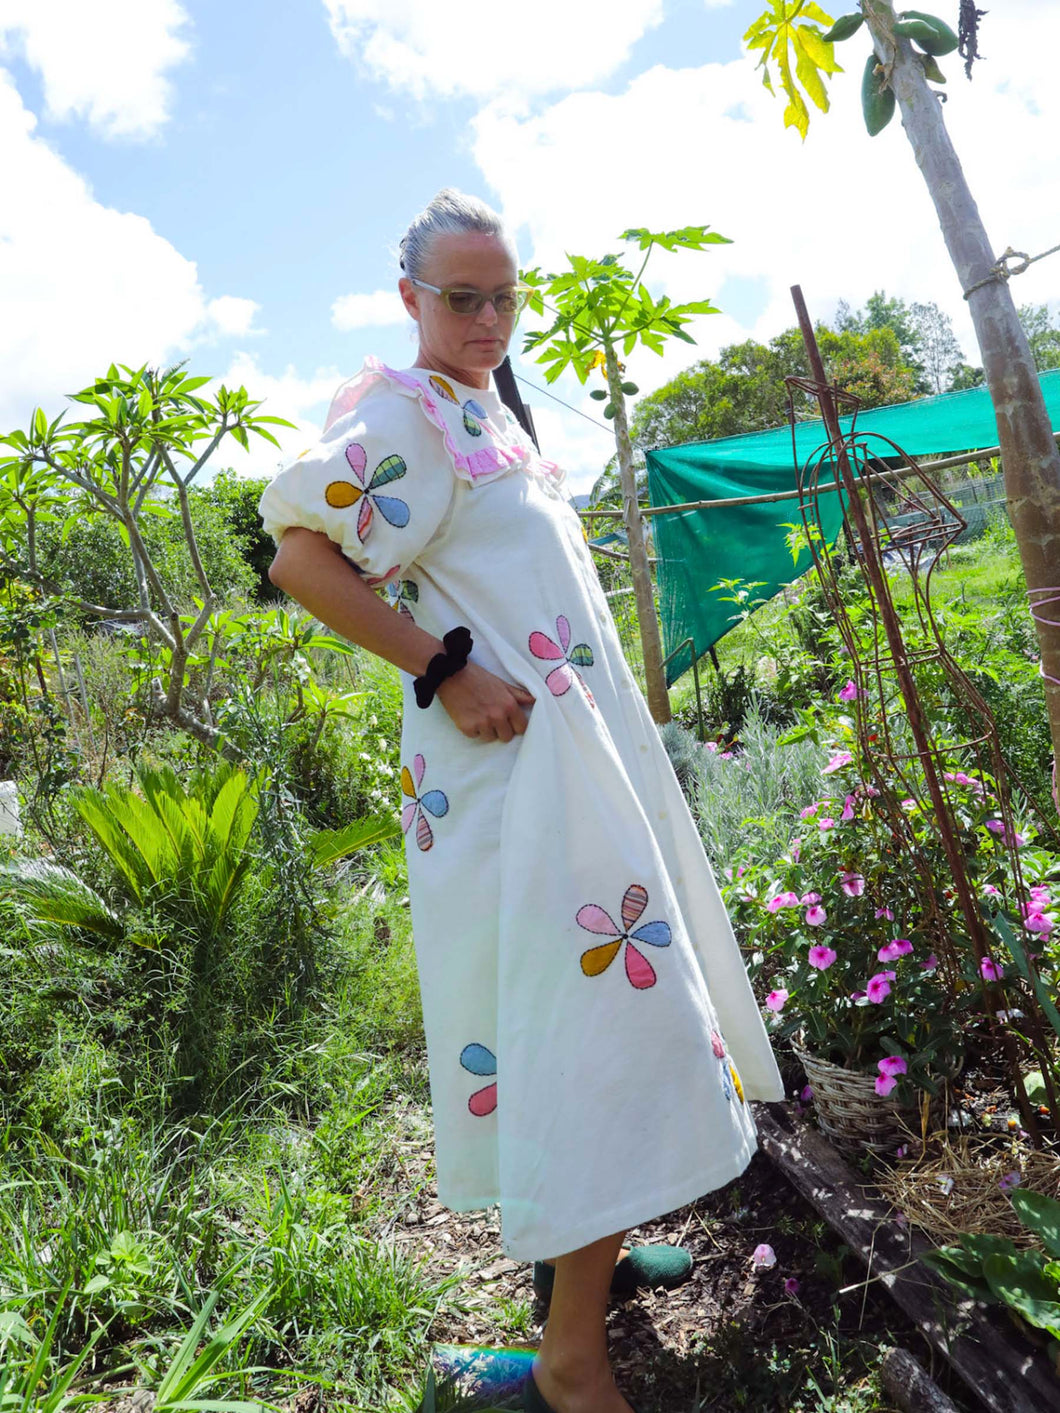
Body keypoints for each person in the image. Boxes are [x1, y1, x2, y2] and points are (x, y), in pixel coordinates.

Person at [259, 189, 782, 1413]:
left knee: (580, 1017)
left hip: (569, 767)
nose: (489, 317)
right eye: (462, 298)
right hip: (517, 778)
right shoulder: (399, 414)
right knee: (592, 1028)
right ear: (410, 301)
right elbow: (295, 557)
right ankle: (569, 1360)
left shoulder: (477, 404)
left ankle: (579, 1261)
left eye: (504, 295)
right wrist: (445, 668)